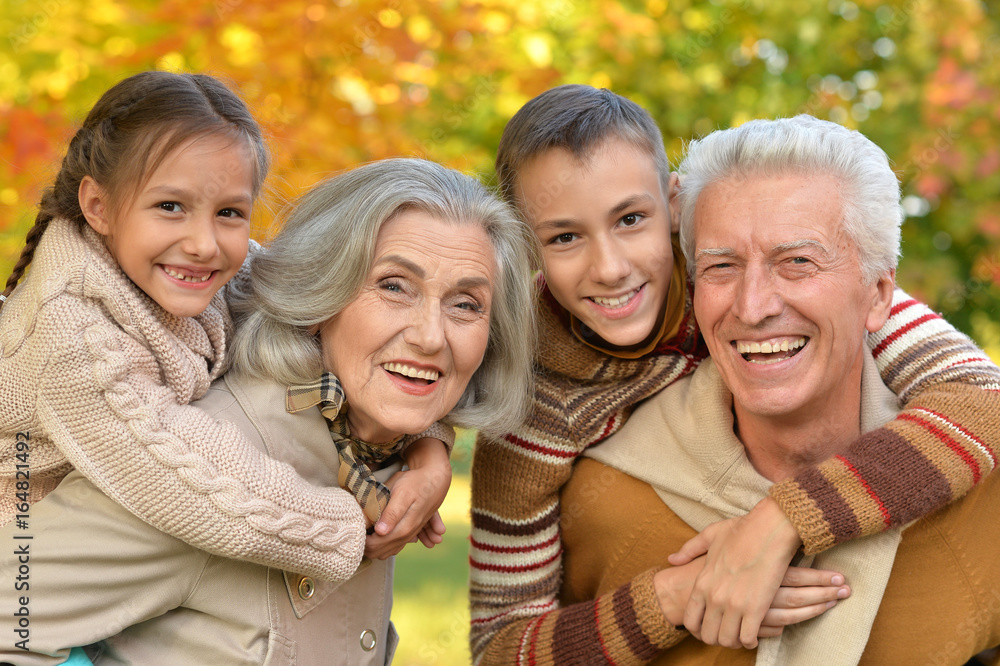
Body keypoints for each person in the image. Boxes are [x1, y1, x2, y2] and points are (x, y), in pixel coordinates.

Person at [469, 86, 1000, 664]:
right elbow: (499, 646)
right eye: (564, 237)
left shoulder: (754, 278)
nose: (611, 267)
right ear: (523, 244)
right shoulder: (529, 409)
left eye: (629, 219)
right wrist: (672, 598)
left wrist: (784, 519)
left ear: (672, 206)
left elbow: (984, 401)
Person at [0, 157, 537, 664]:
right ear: (315, 302)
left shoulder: (368, 440)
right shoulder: (200, 469)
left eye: (466, 304)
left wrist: (432, 449)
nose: (430, 337)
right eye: (393, 287)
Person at [0, 71, 451, 586]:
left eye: (229, 213)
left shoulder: (220, 279)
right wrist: (360, 521)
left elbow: (348, 337)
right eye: (170, 207)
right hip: (24, 588)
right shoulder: (70, 334)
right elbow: (180, 477)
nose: (204, 244)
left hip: (106, 564)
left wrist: (427, 448)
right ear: (98, 207)